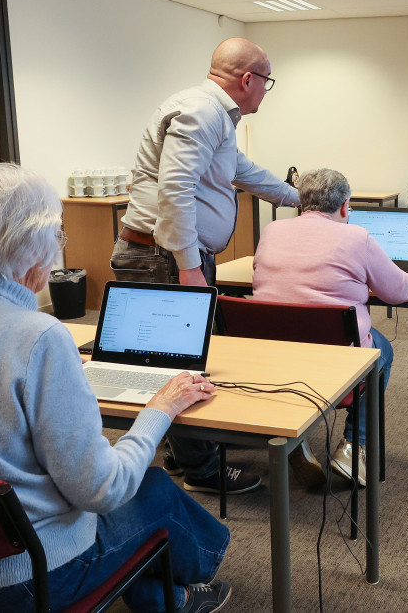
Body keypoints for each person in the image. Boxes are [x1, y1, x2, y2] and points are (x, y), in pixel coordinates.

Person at [0, 164, 232, 613]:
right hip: (13, 584)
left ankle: (162, 597)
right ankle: (199, 573)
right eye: (57, 237)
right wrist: (161, 409)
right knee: (150, 489)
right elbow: (104, 490)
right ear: (33, 251)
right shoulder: (37, 337)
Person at [111, 37, 300, 495]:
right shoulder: (203, 112)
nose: (266, 90)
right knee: (177, 363)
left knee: (178, 359)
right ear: (248, 79)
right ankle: (202, 469)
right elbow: (175, 189)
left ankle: (183, 453)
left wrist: (303, 199)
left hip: (167, 255)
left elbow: (242, 171)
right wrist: (189, 266)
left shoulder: (215, 115)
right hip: (164, 257)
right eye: (267, 81)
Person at [252, 168, 408, 487]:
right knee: (381, 350)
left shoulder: (272, 230)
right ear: (345, 206)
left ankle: (290, 433)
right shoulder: (357, 237)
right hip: (335, 361)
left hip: (274, 358)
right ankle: (353, 448)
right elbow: (399, 291)